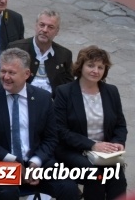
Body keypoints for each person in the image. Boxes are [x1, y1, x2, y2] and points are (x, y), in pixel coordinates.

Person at [0, 48, 80, 200]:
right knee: (7, 193)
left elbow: (51, 138)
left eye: (12, 73)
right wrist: (13, 162)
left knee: (69, 188)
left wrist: (36, 162)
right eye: (3, 71)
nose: (6, 77)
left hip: (36, 161)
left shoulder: (43, 98)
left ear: (26, 74)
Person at [54, 45, 127, 200]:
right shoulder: (64, 92)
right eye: (91, 65)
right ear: (81, 66)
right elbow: (60, 130)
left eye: (100, 67)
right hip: (73, 150)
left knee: (118, 178)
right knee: (95, 176)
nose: (95, 71)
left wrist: (118, 142)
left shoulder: (111, 91)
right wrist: (92, 145)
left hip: (103, 152)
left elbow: (120, 125)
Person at [8, 8, 74, 96]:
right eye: (42, 25)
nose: (45, 30)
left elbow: (69, 85)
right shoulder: (16, 49)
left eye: (51, 27)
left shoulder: (64, 54)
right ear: (36, 26)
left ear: (57, 31)